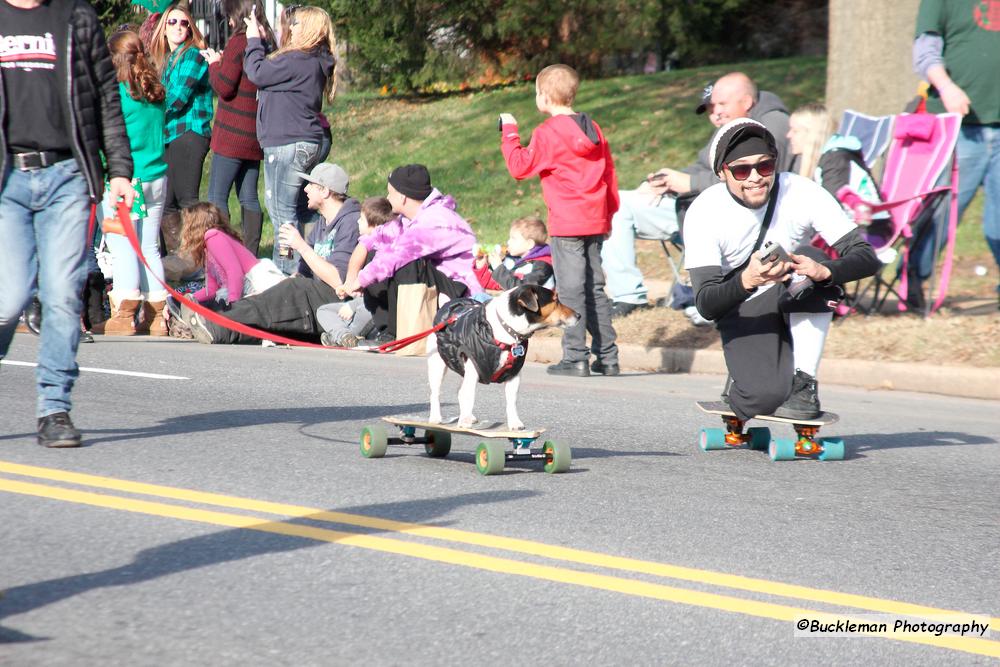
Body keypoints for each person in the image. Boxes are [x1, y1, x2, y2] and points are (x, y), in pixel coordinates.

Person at [0, 0, 134, 447]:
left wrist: (119, 172)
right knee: (9, 297)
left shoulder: (76, 15)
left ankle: (54, 409)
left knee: (61, 295)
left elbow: (105, 98)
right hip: (6, 178)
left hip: (68, 176)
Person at [683, 119, 880, 420]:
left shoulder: (801, 191)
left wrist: (824, 271)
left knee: (811, 256)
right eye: (741, 170)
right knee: (762, 399)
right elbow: (707, 304)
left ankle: (804, 382)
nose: (755, 178)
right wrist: (748, 280)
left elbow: (866, 258)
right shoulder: (704, 211)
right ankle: (746, 376)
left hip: (792, 292)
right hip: (741, 305)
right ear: (723, 173)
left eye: (765, 166)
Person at [603, 72, 794, 317]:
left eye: (722, 104)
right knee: (618, 203)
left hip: (739, 220)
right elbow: (704, 166)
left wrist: (691, 182)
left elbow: (762, 181)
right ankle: (628, 296)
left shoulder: (771, 124)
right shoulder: (731, 124)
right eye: (712, 107)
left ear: (746, 102)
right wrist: (664, 180)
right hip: (696, 208)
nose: (715, 113)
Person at [499, 63, 620, 377]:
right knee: (594, 287)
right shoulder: (592, 127)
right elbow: (609, 173)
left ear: (544, 97)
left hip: (567, 223)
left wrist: (509, 133)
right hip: (595, 218)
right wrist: (609, 215)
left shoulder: (548, 133)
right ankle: (608, 357)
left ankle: (575, 357)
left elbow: (520, 167)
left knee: (569, 289)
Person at [183, 163, 360, 344]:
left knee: (291, 290)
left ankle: (216, 322)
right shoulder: (323, 223)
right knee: (271, 300)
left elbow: (339, 281)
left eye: (311, 185)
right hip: (314, 296)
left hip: (338, 303)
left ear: (325, 191)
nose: (305, 189)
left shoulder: (350, 223)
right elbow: (304, 273)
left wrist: (301, 246)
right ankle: (216, 328)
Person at [913, 0, 1000, 310]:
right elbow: (925, 52)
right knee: (944, 212)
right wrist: (946, 87)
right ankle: (914, 279)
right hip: (961, 127)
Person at [340, 164, 484, 343]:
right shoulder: (407, 220)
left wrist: (360, 281)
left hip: (460, 291)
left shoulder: (436, 219)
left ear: (402, 196)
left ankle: (398, 333)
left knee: (404, 262)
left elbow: (398, 255)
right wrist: (352, 278)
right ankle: (387, 332)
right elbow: (373, 239)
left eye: (389, 193)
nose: (387, 197)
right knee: (378, 256)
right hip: (437, 283)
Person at [243, 4, 336, 273]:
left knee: (282, 214)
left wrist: (252, 40)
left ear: (307, 29)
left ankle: (286, 274)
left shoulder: (298, 59)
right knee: (303, 210)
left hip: (288, 144)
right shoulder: (313, 59)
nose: (290, 27)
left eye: (295, 23)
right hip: (306, 140)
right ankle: (311, 268)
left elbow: (257, 72)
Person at [97, 29, 170, 337]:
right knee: (149, 246)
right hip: (157, 177)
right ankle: (157, 317)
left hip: (129, 180)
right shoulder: (153, 90)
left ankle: (124, 314)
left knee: (122, 244)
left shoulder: (120, 95)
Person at [200, 0, 275, 257]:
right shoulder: (267, 40)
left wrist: (214, 63)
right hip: (254, 135)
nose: (229, 21)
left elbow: (224, 85)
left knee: (217, 196)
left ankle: (223, 255)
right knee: (249, 197)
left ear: (238, 14)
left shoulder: (240, 41)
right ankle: (251, 256)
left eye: (230, 16)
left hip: (232, 135)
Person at [149, 3, 213, 257]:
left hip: (189, 132)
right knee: (166, 204)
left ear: (190, 28)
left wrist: (148, 110)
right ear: (163, 28)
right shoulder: (164, 60)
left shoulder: (193, 55)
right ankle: (176, 262)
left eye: (184, 23)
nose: (178, 27)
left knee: (188, 200)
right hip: (168, 134)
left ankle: (198, 261)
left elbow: (177, 97)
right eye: (172, 22)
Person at [787, 104, 891, 243]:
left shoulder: (835, 159)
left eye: (795, 131)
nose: (788, 135)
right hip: (856, 231)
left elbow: (830, 208)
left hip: (868, 233)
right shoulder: (830, 157)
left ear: (811, 133)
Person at [318, 196, 398, 348]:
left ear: (373, 225)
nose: (357, 222)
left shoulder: (381, 250)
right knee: (323, 310)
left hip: (373, 306)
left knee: (363, 310)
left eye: (361, 219)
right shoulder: (365, 245)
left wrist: (354, 302)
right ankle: (343, 335)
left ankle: (342, 336)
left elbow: (378, 292)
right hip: (361, 301)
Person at [180, 202, 281, 305]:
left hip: (258, 284)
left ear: (195, 225)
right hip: (245, 289)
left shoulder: (213, 237)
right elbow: (211, 289)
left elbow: (235, 272)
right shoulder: (208, 247)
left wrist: (233, 305)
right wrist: (184, 301)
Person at [473, 216, 554, 291]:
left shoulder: (542, 266)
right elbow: (494, 283)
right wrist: (481, 267)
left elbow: (522, 289)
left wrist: (499, 269)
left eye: (513, 239)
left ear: (529, 244)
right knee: (479, 297)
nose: (508, 242)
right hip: (516, 304)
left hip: (537, 305)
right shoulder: (516, 261)